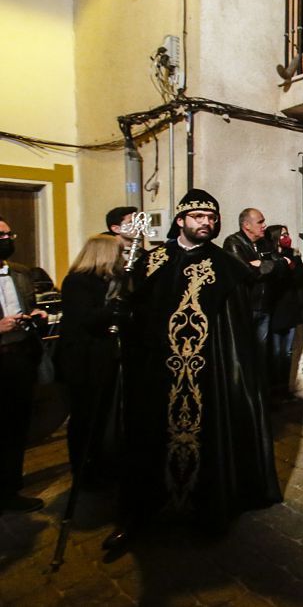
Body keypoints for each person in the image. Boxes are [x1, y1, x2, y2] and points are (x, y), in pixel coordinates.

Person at [110, 190, 281, 550]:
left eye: (212, 216)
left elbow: (237, 336)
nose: (207, 222)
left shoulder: (227, 266)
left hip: (208, 377)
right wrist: (122, 313)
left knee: (210, 441)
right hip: (156, 375)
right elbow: (135, 312)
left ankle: (209, 508)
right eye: (199, 216)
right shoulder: (152, 260)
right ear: (181, 220)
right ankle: (139, 513)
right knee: (147, 440)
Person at [55, 235, 125, 484]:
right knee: (85, 415)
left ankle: (101, 463)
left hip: (100, 357)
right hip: (83, 361)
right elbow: (86, 318)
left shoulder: (106, 281)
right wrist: (116, 307)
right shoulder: (78, 282)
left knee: (102, 414)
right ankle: (83, 469)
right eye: (118, 253)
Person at [0, 217, 48, 513]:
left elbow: (27, 306)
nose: (7, 239)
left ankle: (10, 490)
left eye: (9, 233)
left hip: (19, 357)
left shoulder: (20, 272)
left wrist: (35, 315)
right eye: (1, 234)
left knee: (16, 427)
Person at [223, 208, 287, 370]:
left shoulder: (264, 243)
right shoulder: (233, 242)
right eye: (260, 222)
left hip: (264, 306)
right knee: (244, 353)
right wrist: (266, 266)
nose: (264, 225)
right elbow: (246, 274)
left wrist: (261, 265)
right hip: (245, 307)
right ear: (246, 225)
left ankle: (260, 392)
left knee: (261, 353)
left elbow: (282, 266)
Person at [266, 225, 303, 398]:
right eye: (283, 234)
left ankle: (284, 389)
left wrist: (292, 264)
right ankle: (273, 390)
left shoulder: (293, 255)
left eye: (288, 233)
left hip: (290, 311)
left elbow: (301, 277)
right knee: (274, 354)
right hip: (275, 312)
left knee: (287, 353)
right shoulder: (270, 257)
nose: (287, 237)